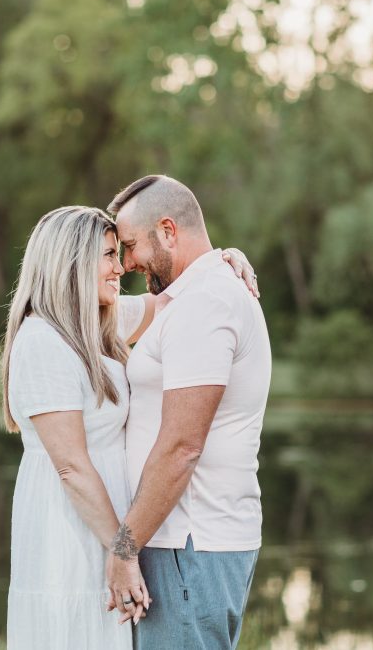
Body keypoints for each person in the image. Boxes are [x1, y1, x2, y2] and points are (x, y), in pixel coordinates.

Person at [0, 205, 256, 649]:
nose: (120, 268)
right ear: (71, 262)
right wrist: (124, 550)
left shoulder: (94, 322)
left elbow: (173, 301)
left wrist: (220, 261)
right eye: (108, 256)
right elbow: (72, 468)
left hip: (108, 524)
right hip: (72, 526)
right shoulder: (43, 341)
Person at [103, 176, 272, 649]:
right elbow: (87, 315)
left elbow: (182, 447)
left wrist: (124, 548)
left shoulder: (205, 303)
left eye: (130, 246)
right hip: (184, 541)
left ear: (168, 231)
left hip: (189, 542)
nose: (127, 263)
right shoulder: (192, 296)